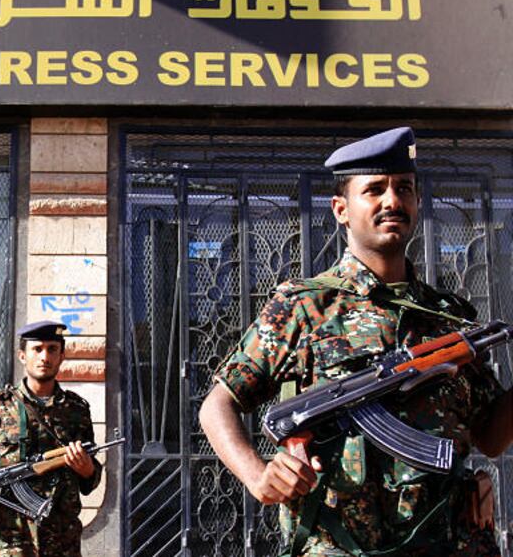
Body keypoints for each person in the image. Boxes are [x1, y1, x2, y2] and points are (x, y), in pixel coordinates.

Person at [199, 127, 513, 557]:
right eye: (375, 190)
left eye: (404, 188)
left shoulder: (452, 316)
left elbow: (491, 438)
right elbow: (218, 404)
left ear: (418, 203)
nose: (392, 201)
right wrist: (257, 474)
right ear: (341, 209)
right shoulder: (304, 306)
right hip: (342, 545)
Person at [0, 320, 102, 557]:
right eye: (37, 349)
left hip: (63, 543)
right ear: (23, 356)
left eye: (52, 349)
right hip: (11, 541)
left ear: (62, 356)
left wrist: (87, 470)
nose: (45, 357)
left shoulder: (77, 410)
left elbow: (90, 481)